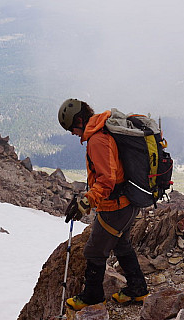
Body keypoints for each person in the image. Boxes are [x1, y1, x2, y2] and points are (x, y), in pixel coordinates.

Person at [57, 98, 149, 311]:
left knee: (94, 251)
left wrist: (86, 201)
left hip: (115, 207)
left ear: (80, 120)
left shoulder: (97, 139)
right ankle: (137, 289)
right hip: (128, 202)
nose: (72, 133)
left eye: (72, 128)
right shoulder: (103, 129)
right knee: (122, 244)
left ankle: (92, 296)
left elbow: (107, 180)